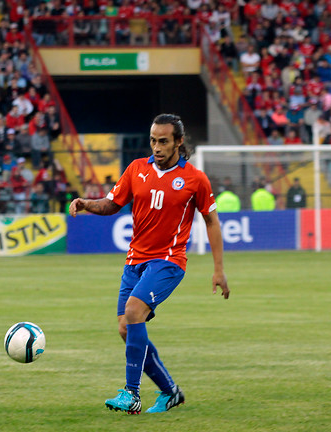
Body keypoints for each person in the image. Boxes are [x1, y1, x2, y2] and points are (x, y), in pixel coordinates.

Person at [69, 114, 229, 415]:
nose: (157, 147)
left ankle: (132, 394)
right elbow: (112, 204)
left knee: (132, 312)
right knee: (126, 329)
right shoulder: (136, 169)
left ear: (178, 142)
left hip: (168, 261)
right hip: (135, 261)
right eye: (153, 140)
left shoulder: (195, 179)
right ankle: (170, 392)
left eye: (164, 141)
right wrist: (87, 203)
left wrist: (218, 269)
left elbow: (212, 221)